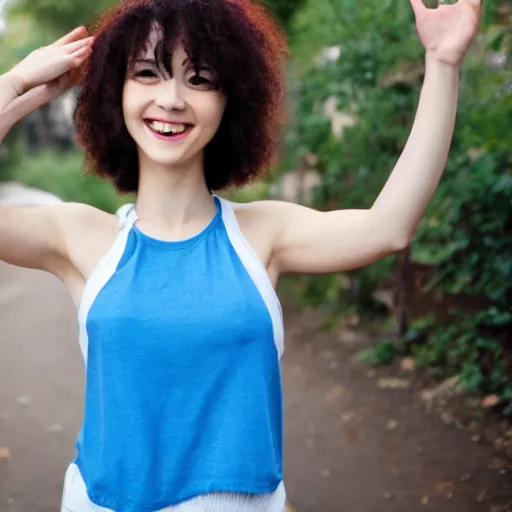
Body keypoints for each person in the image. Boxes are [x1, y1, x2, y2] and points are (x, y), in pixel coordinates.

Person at [0, 0, 482, 510]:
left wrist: (443, 63)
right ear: (114, 93)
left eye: (200, 78)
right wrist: (11, 88)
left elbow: (389, 227)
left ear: (232, 99)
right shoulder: (80, 237)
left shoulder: (262, 233)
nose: (172, 98)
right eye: (146, 73)